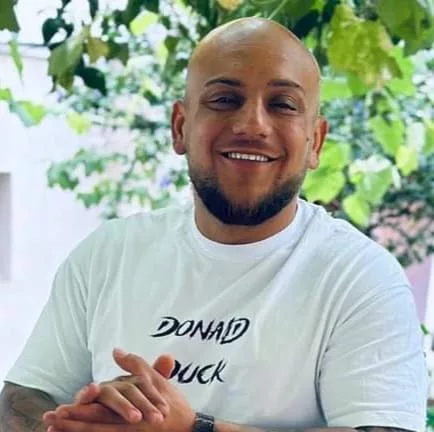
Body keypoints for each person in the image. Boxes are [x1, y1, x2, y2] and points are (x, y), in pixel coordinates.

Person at [0, 16, 428, 432]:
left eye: (282, 104)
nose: (252, 125)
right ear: (180, 127)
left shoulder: (359, 277)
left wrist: (193, 429)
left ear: (315, 141)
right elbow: (20, 400)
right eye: (225, 99)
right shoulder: (109, 254)